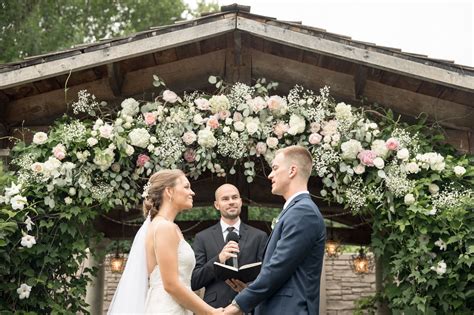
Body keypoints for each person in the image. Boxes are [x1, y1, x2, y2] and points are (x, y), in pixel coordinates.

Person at [224, 145, 326, 315]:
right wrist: (248, 290)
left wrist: (236, 306)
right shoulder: (295, 211)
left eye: (275, 168)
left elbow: (278, 268)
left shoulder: (303, 212)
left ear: (292, 171)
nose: (270, 175)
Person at [108, 169, 222, 314]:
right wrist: (210, 312)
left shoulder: (165, 226)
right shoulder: (164, 228)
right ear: (169, 191)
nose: (192, 192)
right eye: (186, 187)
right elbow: (171, 285)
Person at [191, 184, 268, 309]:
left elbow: (266, 275)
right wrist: (219, 259)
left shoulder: (259, 236)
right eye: (225, 199)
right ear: (217, 205)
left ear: (241, 202)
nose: (231, 202)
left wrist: (248, 289)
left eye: (235, 197)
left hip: (249, 306)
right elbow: (194, 281)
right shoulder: (202, 237)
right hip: (215, 308)